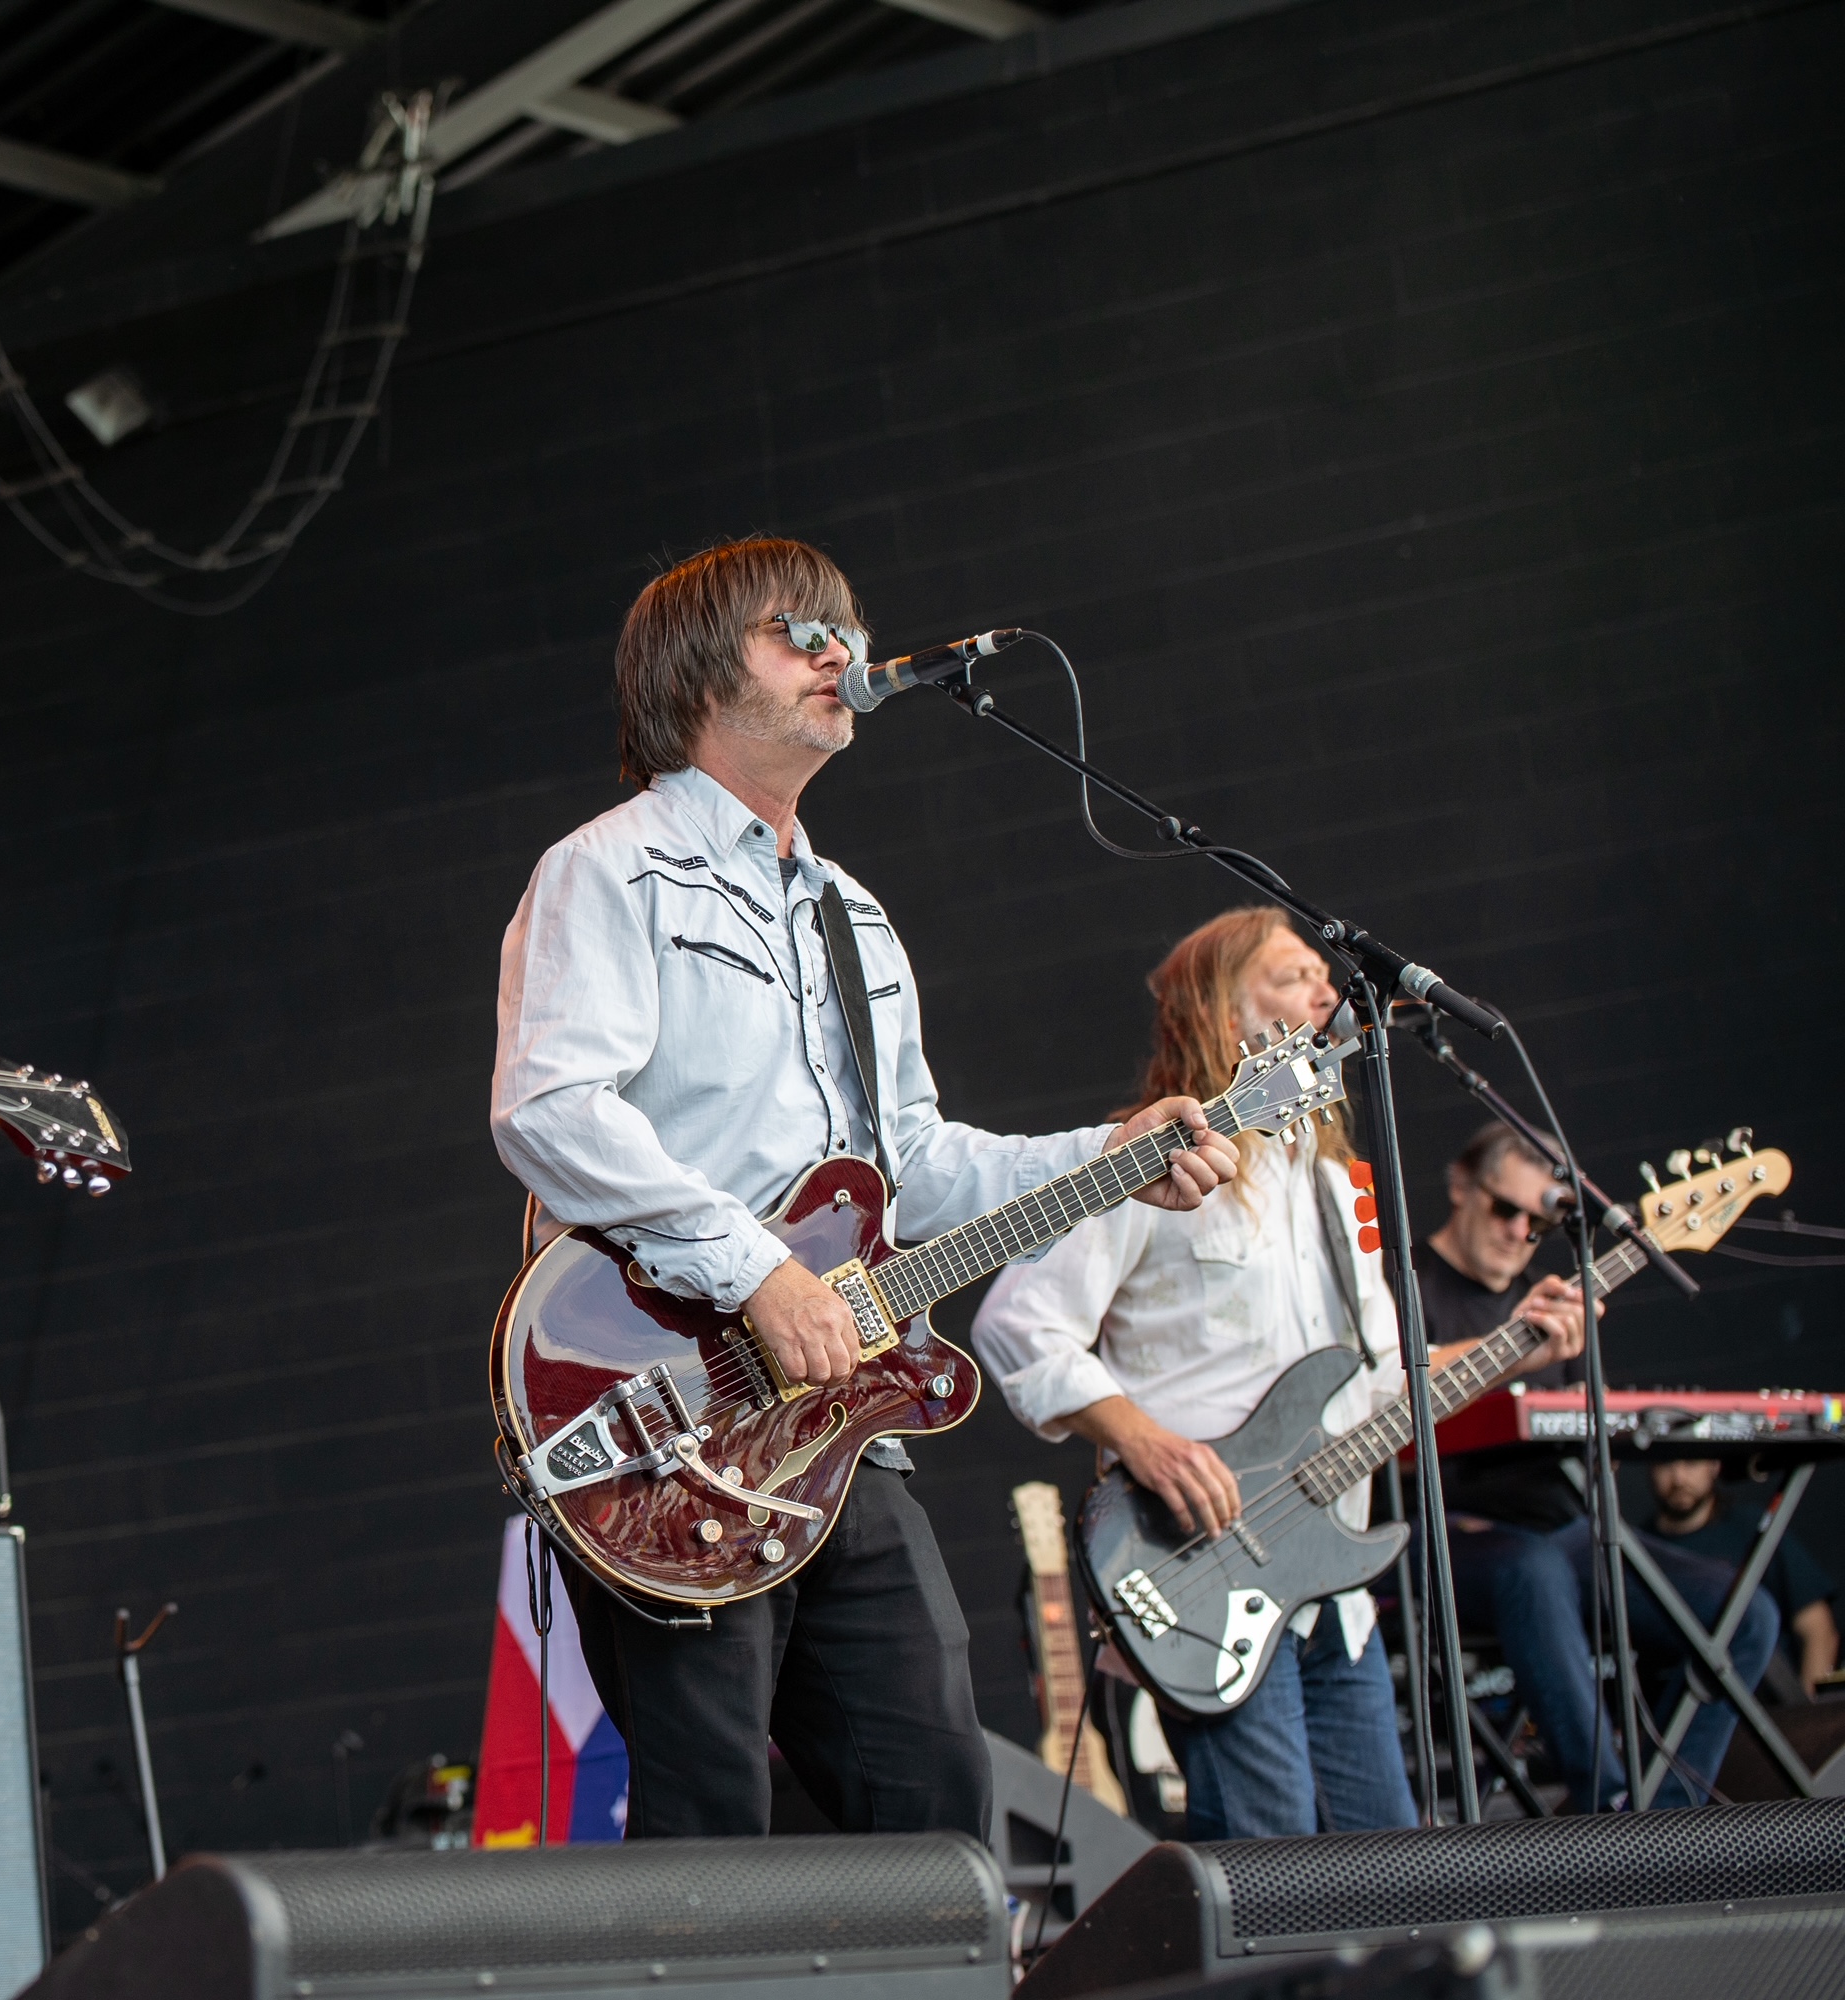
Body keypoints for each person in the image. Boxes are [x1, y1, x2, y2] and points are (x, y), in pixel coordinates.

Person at [489, 536, 1238, 1840]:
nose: (847, 655)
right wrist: (758, 1273)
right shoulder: (608, 871)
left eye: (849, 629)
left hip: (842, 1432)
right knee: (711, 1823)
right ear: (704, 673)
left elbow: (917, 1166)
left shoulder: (854, 916)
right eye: (804, 633)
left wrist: (1113, 1159)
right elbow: (551, 1111)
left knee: (939, 1812)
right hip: (665, 1418)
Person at [971, 910, 1584, 1837]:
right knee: (1276, 1866)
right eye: (1294, 977)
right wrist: (1145, 1441)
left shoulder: (1344, 1189)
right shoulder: (1149, 1161)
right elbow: (1017, 1325)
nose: (1327, 994)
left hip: (1334, 1586)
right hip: (1203, 1565)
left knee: (1391, 1867)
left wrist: (1518, 1348)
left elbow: (1383, 1382)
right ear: (1224, 1016)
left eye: (1323, 979)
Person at [1425, 1123, 1776, 1807]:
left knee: (1746, 1613)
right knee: (1533, 1568)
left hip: (1563, 1532)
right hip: (1445, 1532)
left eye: (1537, 1223)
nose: (1518, 1229)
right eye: (1506, 1209)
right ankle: (1606, 1806)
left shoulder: (1555, 1306)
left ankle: (1665, 1817)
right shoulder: (1399, 1283)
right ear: (1462, 1185)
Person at [1652, 1457, 1837, 1692]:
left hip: (1764, 1705)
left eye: (1691, 1462)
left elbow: (1817, 1628)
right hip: (1670, 1710)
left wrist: (1807, 1718)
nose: (1678, 1478)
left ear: (1714, 1465)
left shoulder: (1751, 1529)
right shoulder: (1635, 1545)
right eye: (1666, 1463)